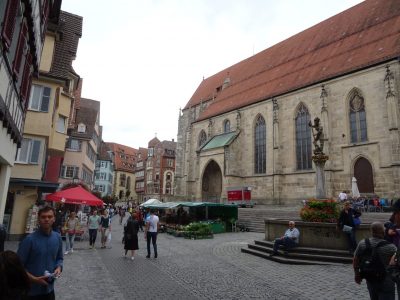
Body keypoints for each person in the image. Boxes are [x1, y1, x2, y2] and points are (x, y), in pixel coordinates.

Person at [17, 206, 63, 300]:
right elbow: (18, 266)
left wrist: (59, 267)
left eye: (50, 217)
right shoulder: (29, 240)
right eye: (43, 217)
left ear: (54, 219)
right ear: (39, 219)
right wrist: (34, 279)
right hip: (31, 292)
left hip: (49, 290)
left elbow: (60, 258)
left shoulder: (58, 238)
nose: (46, 219)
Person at [353, 222, 396, 300]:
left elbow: (356, 259)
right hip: (386, 281)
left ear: (371, 231)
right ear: (383, 232)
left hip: (370, 278)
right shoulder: (391, 247)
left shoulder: (362, 243)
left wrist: (357, 274)